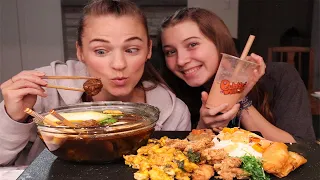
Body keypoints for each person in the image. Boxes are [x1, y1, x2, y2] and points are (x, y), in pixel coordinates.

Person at [0, 0, 191, 166]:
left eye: (132, 49)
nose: (119, 64)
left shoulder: (172, 113)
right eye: (101, 51)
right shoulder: (42, 91)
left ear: (148, 49)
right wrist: (13, 118)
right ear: (80, 51)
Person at [159, 7, 315, 143]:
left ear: (219, 42)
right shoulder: (173, 95)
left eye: (192, 44)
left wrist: (238, 97)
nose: (181, 60)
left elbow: (302, 150)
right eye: (170, 52)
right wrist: (203, 126)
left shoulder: (280, 76)